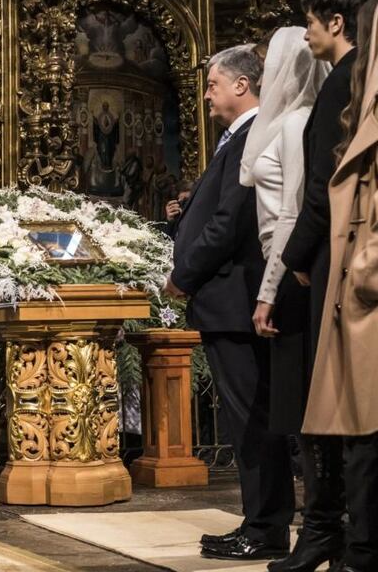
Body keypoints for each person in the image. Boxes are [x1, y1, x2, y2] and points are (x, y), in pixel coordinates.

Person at [165, 44, 295, 561]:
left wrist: (184, 275)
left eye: (213, 84)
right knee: (246, 421)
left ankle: (264, 528)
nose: (207, 95)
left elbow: (229, 222)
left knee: (252, 420)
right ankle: (259, 521)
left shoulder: (253, 135)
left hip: (235, 297)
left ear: (242, 85)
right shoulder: (237, 138)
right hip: (227, 298)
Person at [301, 0, 378, 570]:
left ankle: (358, 546)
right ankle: (354, 543)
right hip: (356, 273)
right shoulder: (354, 96)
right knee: (358, 426)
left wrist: (367, 266)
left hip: (364, 273)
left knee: (364, 424)